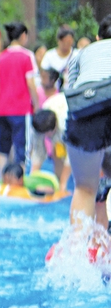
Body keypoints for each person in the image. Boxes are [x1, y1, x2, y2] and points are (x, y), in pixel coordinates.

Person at [63, 15, 111, 237]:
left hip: (85, 113)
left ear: (97, 37)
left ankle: (77, 257)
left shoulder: (81, 54)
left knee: (85, 189)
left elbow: (70, 93)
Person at [0, 22, 39, 177]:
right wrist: (37, 105)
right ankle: (21, 180)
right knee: (22, 147)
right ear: (23, 36)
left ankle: (2, 179)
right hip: (21, 109)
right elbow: (31, 83)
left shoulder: (0, 57)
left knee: (3, 147)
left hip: (2, 110)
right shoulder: (27, 56)